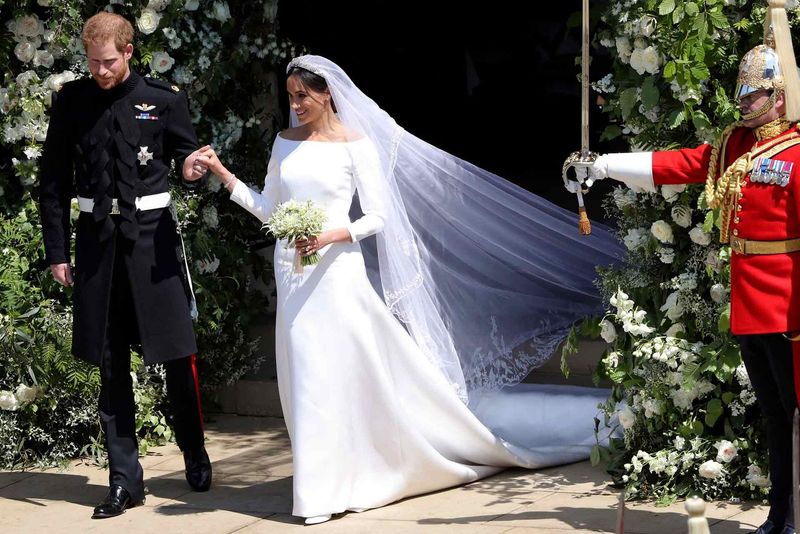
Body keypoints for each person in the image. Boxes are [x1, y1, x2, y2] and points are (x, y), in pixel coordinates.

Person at [201, 54, 623, 525]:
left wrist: (330, 235)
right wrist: (223, 174)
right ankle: (321, 484)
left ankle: (331, 489)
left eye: (303, 96)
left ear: (327, 95)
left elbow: (377, 215)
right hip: (293, 276)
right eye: (291, 97)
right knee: (303, 378)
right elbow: (269, 209)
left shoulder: (356, 145)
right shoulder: (284, 143)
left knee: (334, 376)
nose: (295, 105)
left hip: (337, 273)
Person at [570, 3, 799, 533]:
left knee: (795, 414)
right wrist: (602, 166)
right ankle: (781, 510)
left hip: (789, 304)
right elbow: (678, 164)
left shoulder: (796, 153)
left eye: (755, 95)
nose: (745, 104)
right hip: (749, 301)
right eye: (741, 94)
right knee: (772, 414)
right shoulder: (734, 145)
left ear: (778, 96)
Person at [38, 12, 212, 519]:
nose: (101, 71)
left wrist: (191, 168)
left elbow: (185, 157)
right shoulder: (72, 101)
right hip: (98, 248)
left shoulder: (163, 99)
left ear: (130, 51)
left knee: (178, 356)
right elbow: (53, 179)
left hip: (153, 248)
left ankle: (194, 454)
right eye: (93, 62)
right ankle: (123, 480)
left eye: (109, 62)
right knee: (111, 363)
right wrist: (57, 253)